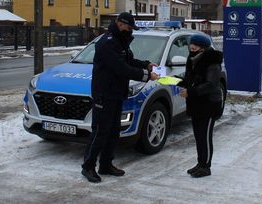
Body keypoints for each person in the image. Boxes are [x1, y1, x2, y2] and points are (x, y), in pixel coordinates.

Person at [81, 12, 159, 183]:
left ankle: (106, 164)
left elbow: (129, 60)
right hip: (104, 94)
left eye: (132, 28)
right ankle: (88, 166)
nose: (130, 31)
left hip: (116, 93)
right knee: (100, 132)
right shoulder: (107, 43)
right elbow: (121, 68)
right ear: (119, 23)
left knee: (113, 132)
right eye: (129, 27)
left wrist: (146, 64)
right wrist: (146, 75)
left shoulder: (120, 41)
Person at [177, 34, 223, 178]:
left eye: (195, 47)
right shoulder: (192, 60)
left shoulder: (212, 62)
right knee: (198, 136)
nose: (191, 48)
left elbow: (211, 84)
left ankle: (206, 167)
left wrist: (190, 92)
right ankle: (200, 163)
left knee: (205, 137)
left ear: (202, 48)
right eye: (191, 46)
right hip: (197, 105)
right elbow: (190, 80)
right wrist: (173, 80)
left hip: (209, 104)